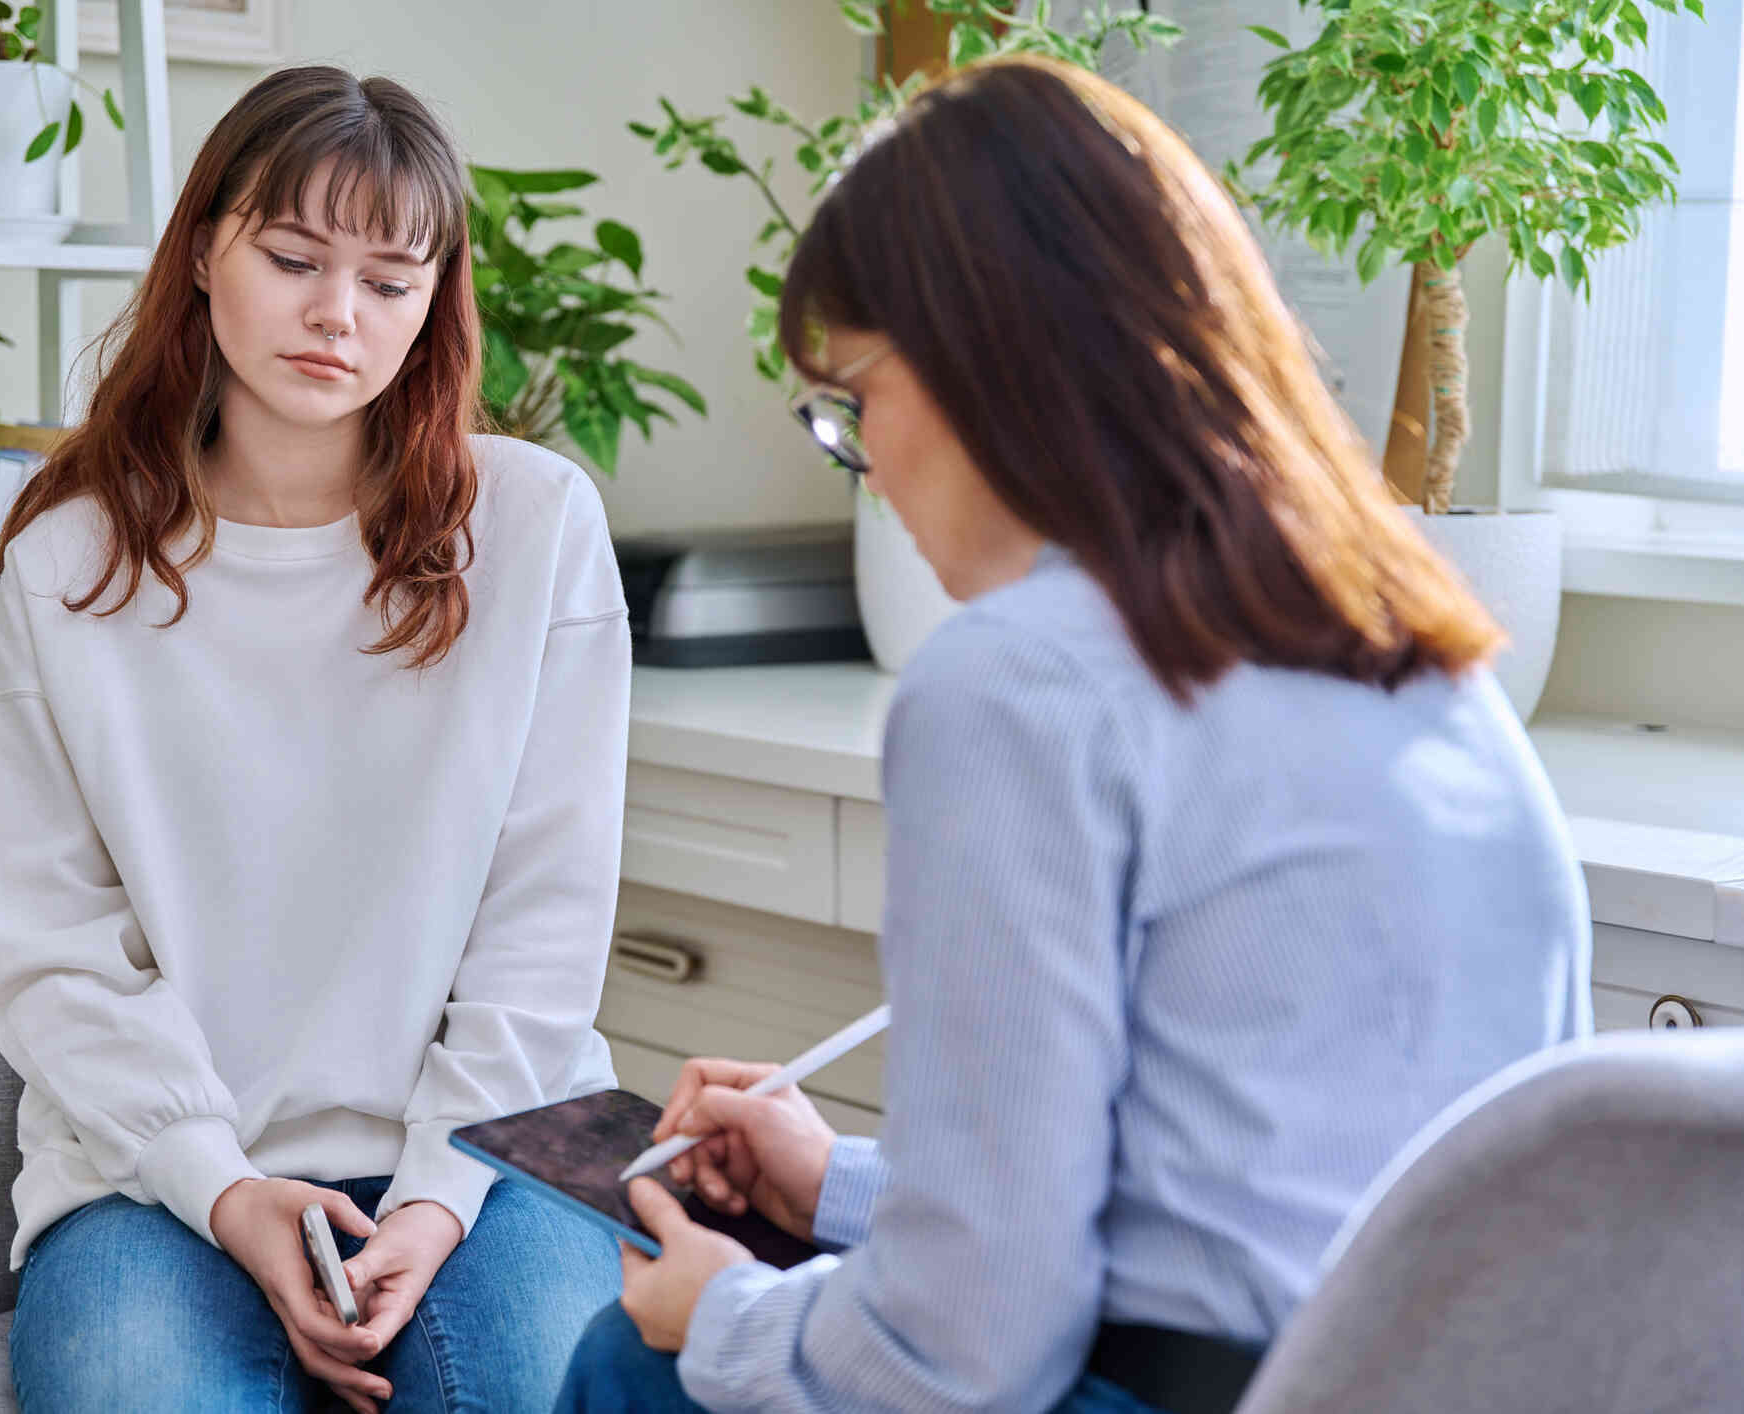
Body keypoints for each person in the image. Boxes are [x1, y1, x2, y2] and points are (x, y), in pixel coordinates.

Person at [554, 54, 1592, 1414]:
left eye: (854, 403)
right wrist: (845, 1183)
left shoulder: (1013, 683)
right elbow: (1210, 1195)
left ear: (981, 358)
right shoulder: (1410, 645)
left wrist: (727, 1318)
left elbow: (966, 1352)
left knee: (626, 1359)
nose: (864, 457)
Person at [0, 65, 628, 1413]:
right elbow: (52, 950)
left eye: (390, 281)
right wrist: (225, 1184)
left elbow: (545, 931)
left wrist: (435, 1201)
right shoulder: (68, 556)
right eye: (293, 257)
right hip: (161, 1166)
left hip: (509, 1144)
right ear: (205, 249)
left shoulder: (538, 527)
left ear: (434, 300)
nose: (338, 314)